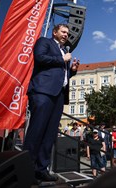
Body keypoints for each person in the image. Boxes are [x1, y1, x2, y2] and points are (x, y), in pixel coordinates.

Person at [23, 24, 80, 182]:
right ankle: (27, 170)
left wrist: (72, 70)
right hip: (43, 92)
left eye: (67, 33)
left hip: (58, 95)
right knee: (37, 131)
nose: (66, 35)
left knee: (50, 134)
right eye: (63, 32)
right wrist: (62, 59)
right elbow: (40, 58)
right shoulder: (44, 42)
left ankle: (41, 169)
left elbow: (60, 75)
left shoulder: (64, 51)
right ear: (54, 32)